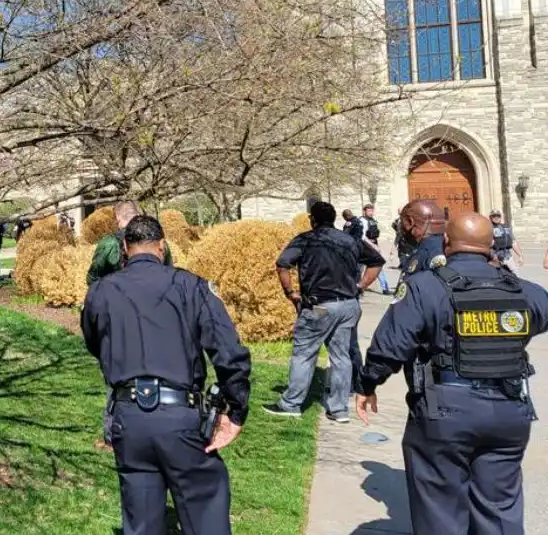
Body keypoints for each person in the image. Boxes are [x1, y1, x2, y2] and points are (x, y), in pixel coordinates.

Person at [357, 211, 547, 534]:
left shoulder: (424, 288)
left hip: (445, 412)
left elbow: (391, 345)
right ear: (491, 245)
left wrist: (368, 382)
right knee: (499, 510)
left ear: (446, 243)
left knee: (440, 511)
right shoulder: (524, 291)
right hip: (508, 410)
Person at [81, 215, 252, 535]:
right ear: (162, 246)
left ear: (124, 248)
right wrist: (237, 410)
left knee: (141, 521)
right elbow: (228, 351)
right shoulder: (190, 286)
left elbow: (94, 341)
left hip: (128, 418)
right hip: (180, 416)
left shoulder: (101, 291)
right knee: (205, 511)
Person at [265, 201, 384, 422]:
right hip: (348, 305)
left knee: (304, 354)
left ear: (313, 220)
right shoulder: (350, 240)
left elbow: (283, 265)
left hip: (319, 306)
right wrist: (362, 284)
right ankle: (338, 409)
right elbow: (377, 261)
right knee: (341, 356)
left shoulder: (306, 240)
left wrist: (290, 292)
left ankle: (291, 403)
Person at [88, 201, 142, 285]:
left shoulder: (109, 242)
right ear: (137, 215)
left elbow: (92, 278)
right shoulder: (156, 239)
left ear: (117, 218)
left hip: (116, 294)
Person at [398, 199, 446, 281]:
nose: (402, 227)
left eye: (403, 222)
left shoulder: (427, 253)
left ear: (410, 222)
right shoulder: (445, 246)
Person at [360, 204, 391, 295]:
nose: (371, 212)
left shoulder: (372, 220)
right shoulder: (362, 221)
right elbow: (362, 236)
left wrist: (376, 246)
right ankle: (358, 287)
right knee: (360, 269)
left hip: (373, 244)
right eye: (369, 210)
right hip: (365, 246)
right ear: (364, 211)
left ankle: (385, 288)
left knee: (378, 266)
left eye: (372, 210)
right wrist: (372, 245)